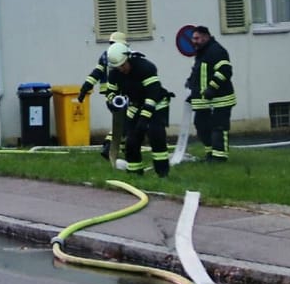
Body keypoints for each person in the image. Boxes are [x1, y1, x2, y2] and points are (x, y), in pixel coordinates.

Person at [106, 41, 171, 179]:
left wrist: (144, 118)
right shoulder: (115, 73)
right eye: (118, 67)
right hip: (136, 105)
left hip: (156, 104)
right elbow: (111, 92)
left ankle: (162, 173)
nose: (122, 69)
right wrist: (112, 102)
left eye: (123, 65)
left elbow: (152, 94)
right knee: (131, 141)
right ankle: (135, 173)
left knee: (156, 136)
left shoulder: (145, 68)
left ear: (128, 58)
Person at [185, 26, 236, 163]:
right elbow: (199, 73)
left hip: (221, 98)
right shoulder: (201, 53)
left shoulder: (216, 50)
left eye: (196, 38)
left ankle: (219, 157)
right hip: (203, 100)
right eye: (192, 38)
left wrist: (212, 87)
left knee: (218, 127)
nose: (193, 41)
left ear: (205, 37)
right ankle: (210, 154)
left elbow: (225, 70)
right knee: (201, 125)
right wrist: (191, 85)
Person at [77, 32, 129, 161]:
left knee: (123, 123)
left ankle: (121, 148)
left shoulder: (105, 56)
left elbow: (96, 73)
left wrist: (85, 88)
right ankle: (109, 145)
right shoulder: (125, 55)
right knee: (126, 123)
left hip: (109, 97)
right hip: (121, 96)